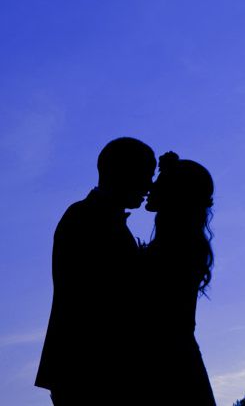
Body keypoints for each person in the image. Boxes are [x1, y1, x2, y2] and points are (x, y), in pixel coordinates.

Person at [35, 137, 156, 406]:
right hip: (89, 369)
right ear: (123, 172)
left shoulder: (95, 217)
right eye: (145, 175)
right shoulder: (84, 218)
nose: (149, 186)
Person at [141, 151, 216, 405]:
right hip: (178, 360)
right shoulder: (185, 245)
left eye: (161, 181)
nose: (152, 186)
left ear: (176, 194)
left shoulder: (173, 249)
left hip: (166, 363)